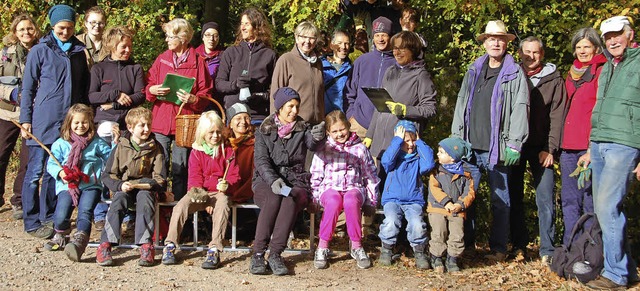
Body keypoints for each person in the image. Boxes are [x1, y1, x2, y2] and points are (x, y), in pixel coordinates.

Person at [450, 20, 529, 261]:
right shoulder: (474, 71)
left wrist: (515, 142)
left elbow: (521, 108)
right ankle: (468, 245)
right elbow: (461, 104)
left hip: (498, 149)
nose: (496, 42)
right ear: (484, 42)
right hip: (470, 148)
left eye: (500, 39)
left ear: (506, 43)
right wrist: (456, 138)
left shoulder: (514, 73)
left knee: (500, 201)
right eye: (491, 38)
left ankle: (498, 249)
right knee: (467, 199)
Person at [20, 4, 90, 239]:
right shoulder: (39, 51)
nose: (65, 32)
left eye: (69, 27)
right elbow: (28, 88)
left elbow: (83, 88)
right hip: (43, 119)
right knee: (35, 172)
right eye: (61, 27)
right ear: (52, 26)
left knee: (56, 171)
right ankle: (31, 221)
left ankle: (49, 217)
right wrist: (25, 120)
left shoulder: (79, 52)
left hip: (68, 122)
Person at [583, 16, 640, 290]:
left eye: (617, 34)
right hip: (599, 143)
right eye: (607, 37)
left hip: (625, 144)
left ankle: (615, 275)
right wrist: (590, 146)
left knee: (607, 208)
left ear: (630, 34)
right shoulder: (607, 67)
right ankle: (626, 269)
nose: (612, 40)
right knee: (605, 209)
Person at [249, 87, 325, 276]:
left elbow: (313, 145)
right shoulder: (263, 130)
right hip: (266, 180)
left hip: (295, 179)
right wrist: (273, 180)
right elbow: (261, 160)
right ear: (280, 107)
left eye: (297, 106)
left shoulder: (303, 127)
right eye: (290, 106)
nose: (294, 111)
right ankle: (258, 253)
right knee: (273, 199)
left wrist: (318, 137)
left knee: (290, 198)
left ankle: (275, 254)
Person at [509, 36, 566, 264]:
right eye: (526, 51)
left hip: (542, 147)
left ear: (542, 54)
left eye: (535, 52)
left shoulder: (554, 80)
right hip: (515, 146)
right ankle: (518, 245)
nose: (530, 56)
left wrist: (549, 148)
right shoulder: (512, 74)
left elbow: (558, 116)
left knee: (545, 198)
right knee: (513, 197)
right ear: (520, 53)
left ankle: (547, 249)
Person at [162, 111, 240, 269]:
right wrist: (202, 197)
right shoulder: (197, 152)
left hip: (220, 193)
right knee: (180, 206)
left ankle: (214, 248)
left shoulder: (228, 151)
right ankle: (170, 245)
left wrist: (227, 184)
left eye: (218, 132)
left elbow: (234, 175)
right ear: (203, 133)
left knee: (223, 205)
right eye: (211, 132)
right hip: (199, 192)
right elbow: (194, 178)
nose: (215, 136)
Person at [146, 18, 212, 200]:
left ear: (183, 38)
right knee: (159, 168)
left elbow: (206, 92)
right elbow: (149, 83)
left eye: (170, 36)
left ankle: (178, 209)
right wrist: (152, 90)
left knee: (180, 169)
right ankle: (159, 211)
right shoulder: (162, 59)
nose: (166, 40)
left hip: (184, 123)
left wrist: (194, 99)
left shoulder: (198, 62)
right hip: (161, 121)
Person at [88, 25, 146, 231]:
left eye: (129, 46)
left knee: (129, 170)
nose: (127, 50)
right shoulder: (99, 68)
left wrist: (115, 103)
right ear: (112, 46)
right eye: (123, 46)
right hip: (104, 125)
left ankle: (128, 214)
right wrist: (114, 94)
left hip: (128, 126)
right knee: (105, 169)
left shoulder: (135, 68)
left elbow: (141, 95)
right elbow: (93, 96)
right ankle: (101, 214)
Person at [95, 107, 166, 267]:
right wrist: (120, 185)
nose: (147, 129)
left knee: (145, 200)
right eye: (142, 125)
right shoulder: (120, 147)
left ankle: (146, 245)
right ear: (130, 127)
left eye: (149, 125)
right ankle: (106, 244)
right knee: (118, 200)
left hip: (146, 188)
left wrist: (144, 185)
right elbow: (107, 174)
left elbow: (160, 179)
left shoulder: (156, 148)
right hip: (124, 187)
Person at [310, 110, 379, 270]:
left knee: (350, 200)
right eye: (335, 131)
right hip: (330, 188)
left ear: (348, 127)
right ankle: (323, 246)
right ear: (328, 132)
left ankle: (356, 245)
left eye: (342, 129)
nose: (340, 134)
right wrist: (314, 198)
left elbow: (370, 176)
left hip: (353, 188)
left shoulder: (360, 148)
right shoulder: (324, 149)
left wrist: (371, 200)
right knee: (334, 201)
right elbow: (316, 176)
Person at [44, 104, 111, 262]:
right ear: (69, 123)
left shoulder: (96, 142)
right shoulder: (61, 143)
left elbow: (110, 157)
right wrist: (60, 172)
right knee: (61, 214)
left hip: (90, 184)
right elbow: (52, 163)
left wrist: (114, 144)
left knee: (85, 211)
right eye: (77, 123)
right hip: (68, 184)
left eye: (84, 122)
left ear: (90, 123)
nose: (81, 126)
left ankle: (79, 243)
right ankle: (61, 234)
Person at [560, 27, 605, 245]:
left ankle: (590, 249)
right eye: (578, 47)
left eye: (586, 46)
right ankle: (571, 247)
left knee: (590, 201)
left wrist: (591, 148)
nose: (582, 51)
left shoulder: (602, 71)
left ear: (596, 47)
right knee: (569, 200)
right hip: (568, 146)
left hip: (590, 147)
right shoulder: (572, 73)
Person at [366, 30, 437, 161]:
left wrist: (405, 110)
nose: (397, 53)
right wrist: (370, 135)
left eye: (402, 49)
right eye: (395, 48)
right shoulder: (390, 71)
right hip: (380, 146)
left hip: (403, 147)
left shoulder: (421, 76)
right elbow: (380, 106)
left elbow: (430, 109)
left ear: (413, 50)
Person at [378, 120, 435, 269]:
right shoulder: (393, 158)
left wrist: (420, 142)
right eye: (406, 141)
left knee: (417, 224)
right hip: (393, 199)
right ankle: (386, 250)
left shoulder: (417, 159)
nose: (410, 145)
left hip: (413, 200)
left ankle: (419, 252)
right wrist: (397, 140)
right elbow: (386, 161)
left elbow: (429, 164)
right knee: (390, 222)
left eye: (413, 140)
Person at [0, 13, 41, 220]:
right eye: (21, 29)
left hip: (33, 115)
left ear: (36, 30)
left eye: (29, 28)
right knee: (1, 154)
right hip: (7, 112)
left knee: (27, 159)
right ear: (15, 32)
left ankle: (19, 200)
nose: (26, 32)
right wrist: (13, 94)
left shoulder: (43, 51)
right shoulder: (4, 53)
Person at [216, 8, 277, 124]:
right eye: (242, 24)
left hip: (258, 115)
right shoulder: (230, 52)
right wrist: (235, 84)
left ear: (257, 27)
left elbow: (274, 89)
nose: (242, 28)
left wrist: (260, 96)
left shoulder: (269, 55)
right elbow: (219, 84)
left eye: (247, 24)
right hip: (234, 114)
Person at [427, 137, 475, 273]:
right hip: (437, 207)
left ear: (452, 157)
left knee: (457, 234)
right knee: (439, 232)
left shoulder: (466, 173)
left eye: (441, 152)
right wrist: (446, 202)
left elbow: (469, 192)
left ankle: (452, 258)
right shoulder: (436, 170)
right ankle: (436, 257)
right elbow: (434, 188)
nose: (438, 154)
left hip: (457, 210)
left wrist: (460, 204)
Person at [345, 16, 395, 140]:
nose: (380, 39)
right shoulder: (362, 61)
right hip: (359, 125)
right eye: (377, 35)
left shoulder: (397, 63)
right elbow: (349, 91)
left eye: (384, 35)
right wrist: (351, 115)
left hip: (385, 127)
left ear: (390, 37)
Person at [270, 21, 325, 125]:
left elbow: (321, 95)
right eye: (303, 37)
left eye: (312, 38)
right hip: (294, 124)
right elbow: (275, 95)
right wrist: (276, 124)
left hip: (316, 126)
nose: (307, 41)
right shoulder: (286, 60)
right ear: (296, 37)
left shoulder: (318, 63)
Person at [224, 103, 256, 204]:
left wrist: (237, 196)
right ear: (230, 124)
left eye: (246, 118)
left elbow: (253, 177)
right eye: (238, 118)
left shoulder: (255, 145)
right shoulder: (224, 145)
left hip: (247, 195)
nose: (243, 122)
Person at [321, 30, 352, 114]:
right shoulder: (319, 66)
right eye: (339, 43)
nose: (343, 47)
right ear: (332, 45)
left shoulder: (352, 69)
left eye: (347, 43)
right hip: (323, 117)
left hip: (343, 118)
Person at [195, 22, 225, 88]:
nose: (211, 39)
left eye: (215, 35)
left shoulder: (224, 56)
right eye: (208, 35)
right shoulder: (194, 55)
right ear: (202, 37)